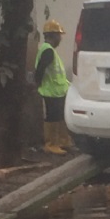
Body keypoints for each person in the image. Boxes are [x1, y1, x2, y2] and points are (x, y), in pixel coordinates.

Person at [34, 19, 72, 155]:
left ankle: (63, 141)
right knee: (53, 117)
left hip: (57, 91)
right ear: (52, 36)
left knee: (60, 116)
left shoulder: (50, 51)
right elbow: (40, 70)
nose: (60, 39)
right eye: (59, 36)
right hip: (51, 91)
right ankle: (51, 144)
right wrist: (37, 85)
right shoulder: (48, 51)